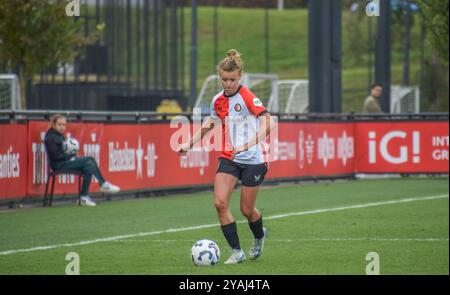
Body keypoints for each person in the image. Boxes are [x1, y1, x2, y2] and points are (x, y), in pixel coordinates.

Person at [177, 49, 276, 264]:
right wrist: (188, 144)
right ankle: (236, 251)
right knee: (220, 203)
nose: (228, 83)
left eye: (232, 79)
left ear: (239, 76)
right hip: (229, 157)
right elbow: (210, 123)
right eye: (224, 79)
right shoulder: (217, 100)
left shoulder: (248, 97)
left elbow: (270, 122)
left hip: (254, 160)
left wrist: (248, 145)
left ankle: (259, 237)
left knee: (246, 210)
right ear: (219, 77)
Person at [44, 114, 120, 206]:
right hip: (58, 165)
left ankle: (84, 196)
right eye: (59, 124)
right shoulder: (50, 137)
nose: (62, 127)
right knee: (89, 160)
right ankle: (103, 184)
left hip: (65, 162)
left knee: (89, 166)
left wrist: (72, 154)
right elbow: (55, 156)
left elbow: (64, 152)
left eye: (64, 125)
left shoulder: (60, 136)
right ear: (53, 125)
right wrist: (70, 156)